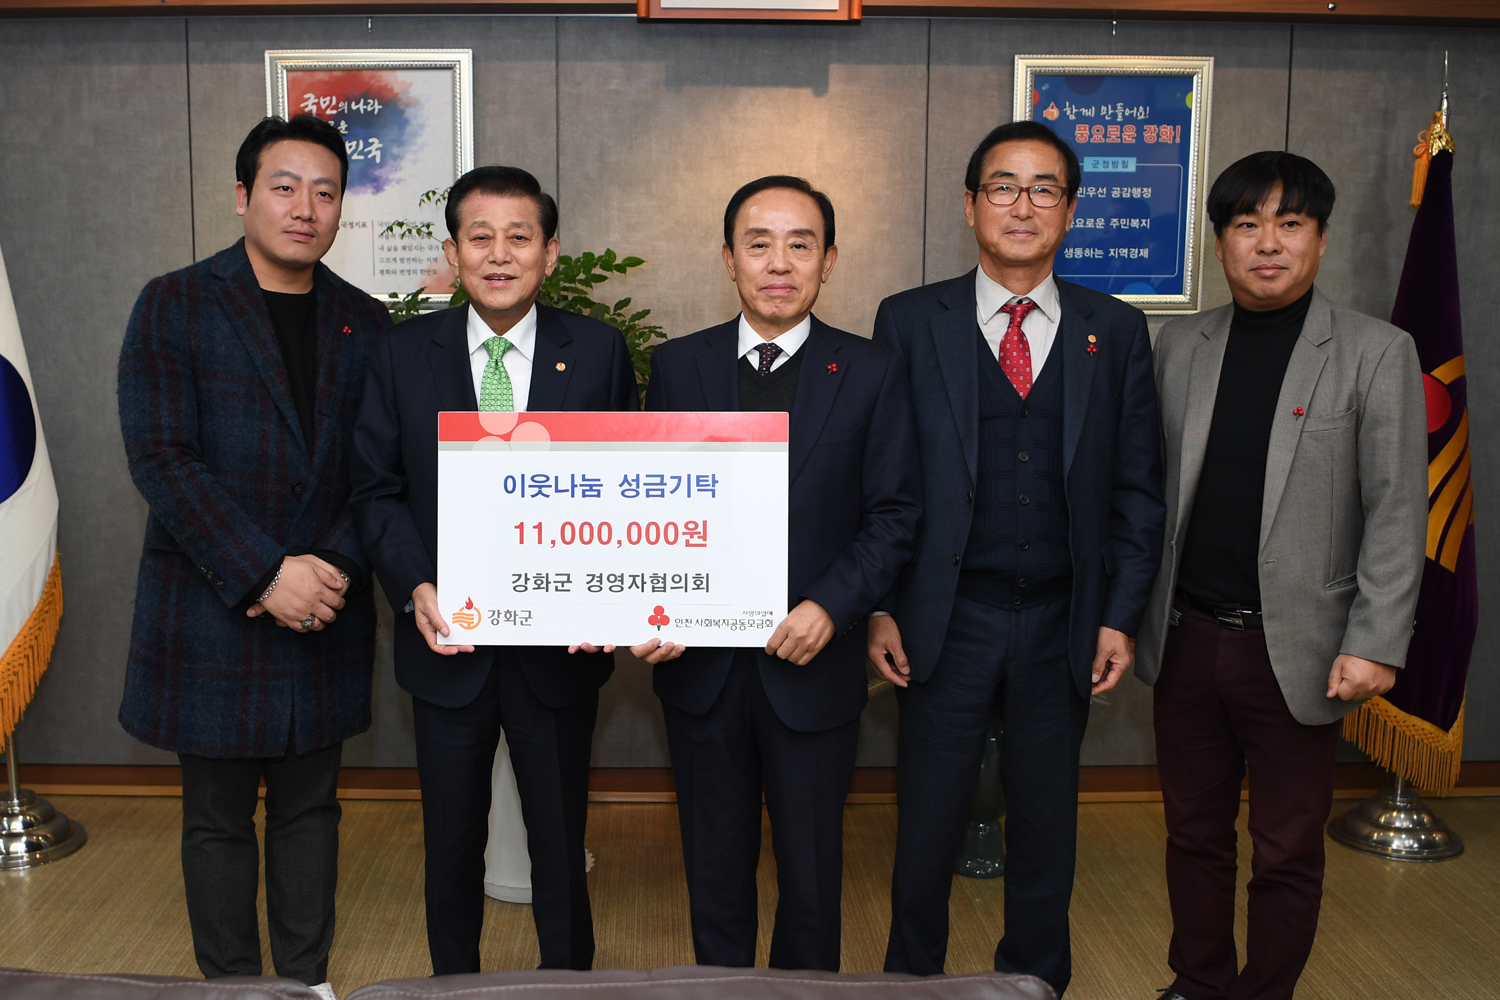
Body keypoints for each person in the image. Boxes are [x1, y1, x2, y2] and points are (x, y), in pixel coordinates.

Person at [868, 121, 1165, 994]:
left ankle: (1035, 983)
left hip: (1061, 619)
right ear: (970, 205)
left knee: (1047, 831)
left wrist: (1120, 614)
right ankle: (910, 985)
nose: (1022, 206)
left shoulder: (1116, 329)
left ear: (1070, 211)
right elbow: (880, 479)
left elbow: (1138, 488)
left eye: (1044, 190)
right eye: (1003, 187)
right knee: (925, 827)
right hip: (943, 619)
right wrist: (879, 604)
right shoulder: (908, 319)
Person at [1135, 151, 1426, 1000]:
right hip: (1188, 638)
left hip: (1301, 648)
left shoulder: (1376, 351)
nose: (1268, 243)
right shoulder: (1179, 344)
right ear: (1219, 243)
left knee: (1287, 848)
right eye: (1247, 224)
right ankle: (1198, 982)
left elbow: (1397, 509)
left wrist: (1376, 642)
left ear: (1320, 240)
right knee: (1193, 834)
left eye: (1289, 223)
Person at [117, 115, 390, 998]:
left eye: (325, 191)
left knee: (312, 811)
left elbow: (379, 470)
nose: (305, 207)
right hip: (215, 607)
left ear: (342, 207)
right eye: (284, 186)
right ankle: (230, 987)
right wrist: (267, 574)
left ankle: (305, 984)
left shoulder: (367, 322)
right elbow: (163, 458)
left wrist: (329, 571)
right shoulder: (174, 303)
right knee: (217, 819)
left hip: (327, 606)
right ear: (242, 196)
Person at [626, 176, 921, 972]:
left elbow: (895, 514)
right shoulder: (677, 366)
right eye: (758, 244)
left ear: (830, 260)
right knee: (714, 871)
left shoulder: (872, 370)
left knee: (812, 877)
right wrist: (653, 610)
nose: (779, 264)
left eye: (800, 245)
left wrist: (832, 604)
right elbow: (649, 506)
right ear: (729, 258)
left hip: (813, 666)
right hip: (701, 672)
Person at [349, 165, 637, 975]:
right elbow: (376, 490)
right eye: (481, 237)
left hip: (559, 652)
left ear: (551, 252)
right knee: (450, 844)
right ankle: (454, 986)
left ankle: (568, 986)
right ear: (453, 252)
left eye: (519, 237)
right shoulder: (401, 354)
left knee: (560, 843)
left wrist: (606, 597)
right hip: (449, 645)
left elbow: (623, 485)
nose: (500, 254)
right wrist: (415, 586)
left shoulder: (599, 351)